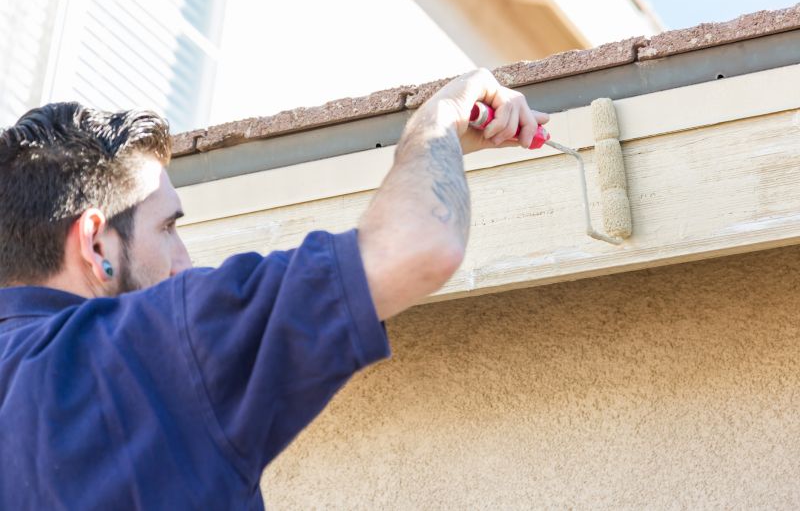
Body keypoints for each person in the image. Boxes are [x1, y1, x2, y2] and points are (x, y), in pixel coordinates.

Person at [0, 68, 548, 509]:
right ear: (96, 245)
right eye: (168, 227)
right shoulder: (153, 344)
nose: (185, 264)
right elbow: (421, 242)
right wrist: (441, 118)